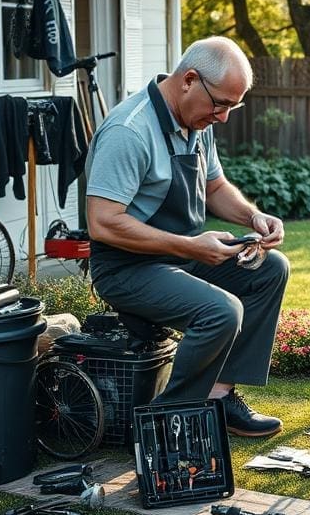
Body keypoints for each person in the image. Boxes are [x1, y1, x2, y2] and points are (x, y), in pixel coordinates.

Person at [85, 36, 287, 437]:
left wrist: (253, 216)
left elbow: (214, 187)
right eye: (221, 105)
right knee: (222, 312)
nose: (224, 117)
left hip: (179, 254)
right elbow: (103, 222)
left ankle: (218, 395)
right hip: (126, 266)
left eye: (233, 106)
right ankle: (166, 423)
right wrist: (191, 246)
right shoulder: (130, 130)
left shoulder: (196, 121)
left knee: (270, 268)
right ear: (189, 80)